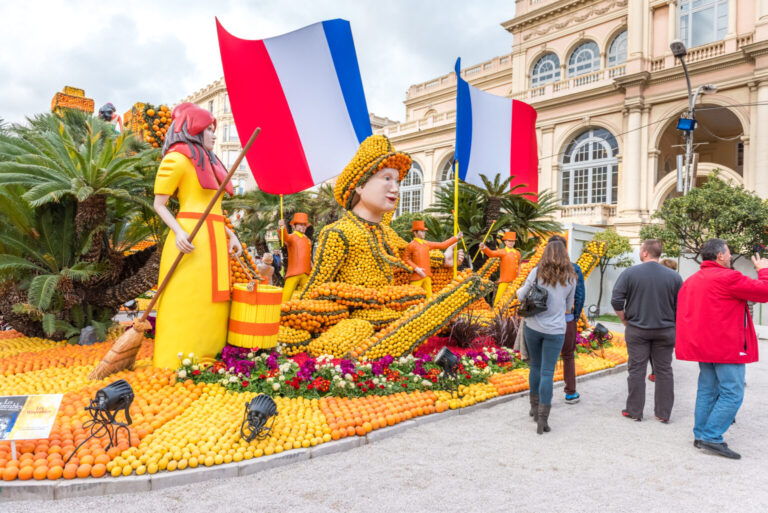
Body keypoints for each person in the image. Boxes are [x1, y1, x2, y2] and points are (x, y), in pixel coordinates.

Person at [152, 103, 243, 369]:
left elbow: (212, 210)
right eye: (209, 130)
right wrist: (178, 231)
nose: (214, 135)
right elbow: (159, 204)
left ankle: (210, 356)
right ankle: (175, 361)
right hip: (190, 239)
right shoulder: (176, 159)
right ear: (193, 130)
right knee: (186, 298)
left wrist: (230, 234)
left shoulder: (212, 164)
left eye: (214, 130)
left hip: (214, 238)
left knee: (214, 300)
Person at [676, 239, 768, 459]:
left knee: (707, 391)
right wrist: (763, 270)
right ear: (719, 256)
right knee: (732, 392)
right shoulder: (728, 277)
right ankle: (711, 436)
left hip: (705, 347)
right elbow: (764, 292)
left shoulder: (693, 280)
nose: (730, 256)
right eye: (728, 252)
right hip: (726, 347)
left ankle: (701, 435)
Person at [611, 239, 682, 422]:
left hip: (637, 328)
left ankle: (634, 411)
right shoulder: (674, 277)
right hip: (665, 330)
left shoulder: (630, 273)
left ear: (645, 252)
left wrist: (624, 319)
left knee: (636, 369)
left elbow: (616, 300)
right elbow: (681, 305)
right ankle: (663, 414)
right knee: (664, 370)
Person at [517, 240, 577, 434]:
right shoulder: (571, 277)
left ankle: (534, 409)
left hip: (533, 326)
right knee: (547, 373)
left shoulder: (536, 272)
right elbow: (568, 307)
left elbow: (521, 296)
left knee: (535, 366)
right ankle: (543, 419)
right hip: (556, 330)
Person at [547, 235, 585, 404]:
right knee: (568, 356)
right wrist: (575, 317)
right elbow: (580, 295)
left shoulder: (539, 269)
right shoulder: (574, 269)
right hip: (566, 318)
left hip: (545, 321)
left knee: (546, 357)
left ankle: (544, 394)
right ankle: (570, 392)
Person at [403, 220, 462, 298]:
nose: (424, 233)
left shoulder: (426, 244)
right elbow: (405, 259)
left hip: (427, 275)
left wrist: (456, 237)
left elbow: (442, 245)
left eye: (424, 231)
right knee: (411, 296)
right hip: (417, 276)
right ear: (415, 233)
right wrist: (417, 269)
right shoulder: (411, 245)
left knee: (429, 297)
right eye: (421, 231)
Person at [278, 213, 312, 302]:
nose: (303, 227)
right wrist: (282, 227)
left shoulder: (308, 240)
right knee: (286, 295)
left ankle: (306, 309)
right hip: (294, 272)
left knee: (309, 296)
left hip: (306, 272)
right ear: (294, 226)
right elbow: (284, 237)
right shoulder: (292, 237)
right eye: (300, 225)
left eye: (304, 225)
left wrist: (311, 266)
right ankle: (282, 308)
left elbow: (309, 256)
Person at [480, 232, 521, 306]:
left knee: (515, 300)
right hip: (504, 280)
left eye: (512, 241)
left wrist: (519, 277)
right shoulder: (502, 252)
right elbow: (491, 254)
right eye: (509, 241)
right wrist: (484, 248)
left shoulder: (517, 253)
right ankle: (495, 311)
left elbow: (519, 265)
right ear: (505, 242)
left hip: (515, 281)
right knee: (499, 300)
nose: (511, 243)